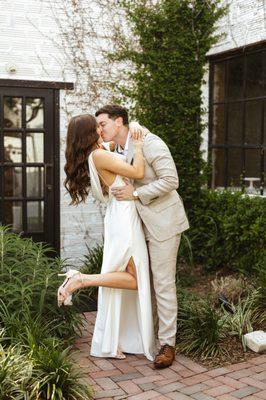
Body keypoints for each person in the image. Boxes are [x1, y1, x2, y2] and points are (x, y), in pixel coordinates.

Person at [95, 105, 189, 369]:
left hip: (163, 223)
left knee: (163, 284)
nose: (100, 129)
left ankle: (168, 344)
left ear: (119, 121)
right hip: (137, 227)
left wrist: (136, 194)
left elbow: (171, 180)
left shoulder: (150, 142)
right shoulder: (117, 149)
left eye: (103, 124)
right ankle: (151, 336)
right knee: (144, 283)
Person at [58, 114, 156, 361]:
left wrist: (130, 128)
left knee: (131, 277)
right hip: (124, 217)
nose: (102, 129)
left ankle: (118, 338)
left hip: (120, 215)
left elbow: (118, 143)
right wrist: (141, 145)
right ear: (90, 133)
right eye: (97, 126)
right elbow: (137, 170)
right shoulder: (99, 156)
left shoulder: (99, 152)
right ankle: (80, 280)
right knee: (135, 280)